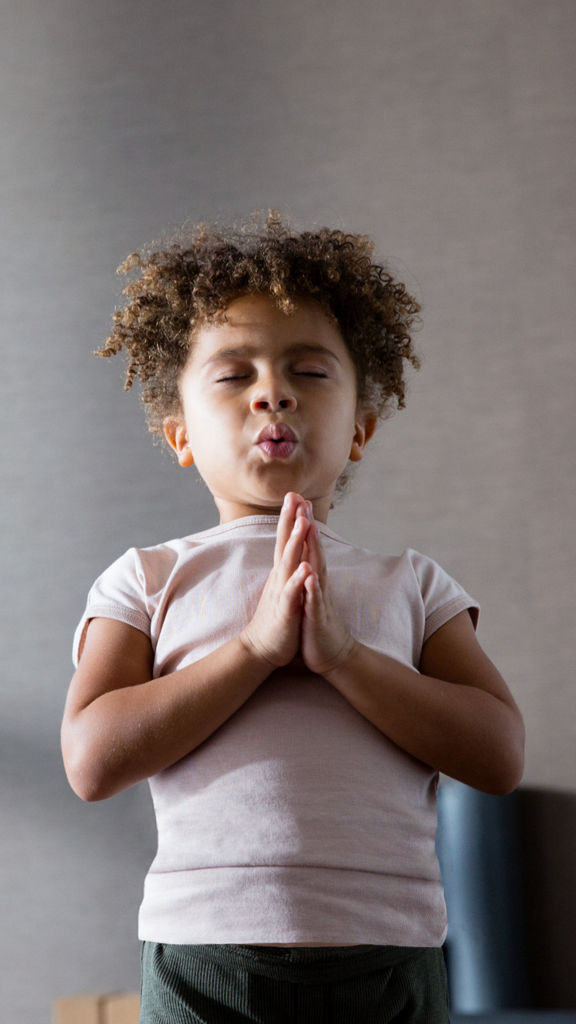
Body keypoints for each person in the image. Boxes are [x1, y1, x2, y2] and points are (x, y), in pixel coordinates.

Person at [61, 212, 525, 1023]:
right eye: (234, 375)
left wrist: (346, 658)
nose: (272, 391)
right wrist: (253, 649)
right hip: (204, 956)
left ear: (360, 431)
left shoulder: (411, 584)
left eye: (309, 372)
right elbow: (92, 761)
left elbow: (497, 754)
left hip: (389, 954)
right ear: (179, 435)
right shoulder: (146, 579)